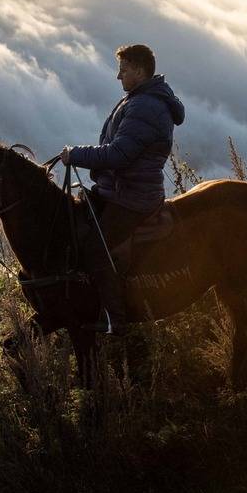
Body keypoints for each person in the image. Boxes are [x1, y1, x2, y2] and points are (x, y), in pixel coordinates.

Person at [60, 44, 185, 334]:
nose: (119, 77)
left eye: (124, 70)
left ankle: (114, 321)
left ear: (140, 71)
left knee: (95, 249)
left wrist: (75, 154)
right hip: (120, 189)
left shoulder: (145, 106)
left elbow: (118, 154)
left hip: (132, 197)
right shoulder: (139, 99)